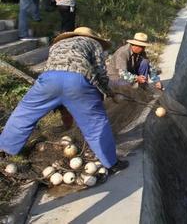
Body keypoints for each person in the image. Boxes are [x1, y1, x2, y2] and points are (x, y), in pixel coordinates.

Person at [0, 27, 128, 174]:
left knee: (24, 113)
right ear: (93, 37)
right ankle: (111, 163)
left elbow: (54, 68)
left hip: (49, 79)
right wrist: (109, 92)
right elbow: (100, 72)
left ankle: (4, 149)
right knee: (96, 123)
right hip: (77, 80)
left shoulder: (58, 45)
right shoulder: (94, 44)